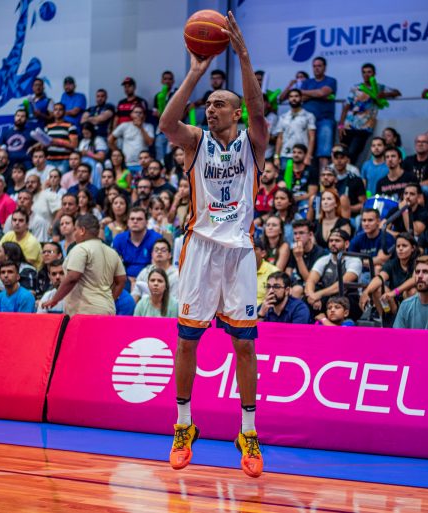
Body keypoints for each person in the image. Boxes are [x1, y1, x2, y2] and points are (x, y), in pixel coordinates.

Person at [158, 12, 268, 477]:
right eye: (208, 104)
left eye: (220, 103)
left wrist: (242, 54)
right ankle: (184, 425)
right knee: (187, 341)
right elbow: (167, 123)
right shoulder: (196, 142)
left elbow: (258, 112)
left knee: (244, 346)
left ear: (236, 112)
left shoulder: (252, 143)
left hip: (238, 251)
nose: (211, 109)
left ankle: (248, 433)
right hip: (200, 247)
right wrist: (196, 73)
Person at [41, 214, 127, 316]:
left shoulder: (81, 248)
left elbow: (72, 278)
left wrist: (55, 299)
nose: (74, 234)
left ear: (82, 230)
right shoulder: (112, 252)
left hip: (85, 311)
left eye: (75, 230)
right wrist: (109, 300)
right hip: (107, 309)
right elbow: (121, 280)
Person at [338, 63, 400, 165]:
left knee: (353, 154)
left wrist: (384, 94)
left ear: (374, 73)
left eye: (369, 72)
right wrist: (340, 125)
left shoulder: (379, 87)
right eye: (364, 72)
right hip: (349, 125)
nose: (366, 74)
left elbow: (397, 92)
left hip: (364, 128)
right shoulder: (356, 88)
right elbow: (346, 106)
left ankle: (350, 173)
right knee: (342, 153)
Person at [304, 229, 362, 320]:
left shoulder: (354, 260)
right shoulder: (323, 260)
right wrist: (312, 296)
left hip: (349, 298)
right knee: (305, 299)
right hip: (328, 297)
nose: (333, 243)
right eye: (331, 241)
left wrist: (318, 294)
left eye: (337, 241)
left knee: (338, 301)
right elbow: (310, 280)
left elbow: (341, 284)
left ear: (347, 244)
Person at [112, 206, 162, 285]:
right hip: (124, 281)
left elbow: (160, 265)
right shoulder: (119, 239)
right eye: (132, 219)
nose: (135, 221)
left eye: (139, 219)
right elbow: (113, 266)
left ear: (146, 222)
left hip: (150, 281)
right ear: (128, 222)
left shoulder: (156, 239)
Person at [273, 88, 315, 170]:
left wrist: (308, 155)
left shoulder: (309, 116)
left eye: (296, 96)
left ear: (301, 98)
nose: (294, 99)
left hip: (302, 155)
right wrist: (276, 156)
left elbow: (312, 137)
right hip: (285, 155)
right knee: (285, 178)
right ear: (288, 99)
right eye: (291, 96)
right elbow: (280, 138)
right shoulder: (283, 117)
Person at [108, 105, 155, 172]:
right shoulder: (124, 125)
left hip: (142, 164)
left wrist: (141, 127)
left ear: (144, 115)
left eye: (140, 112)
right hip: (126, 163)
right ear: (131, 114)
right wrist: (118, 153)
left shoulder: (149, 126)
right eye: (136, 112)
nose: (138, 114)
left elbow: (150, 142)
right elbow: (110, 140)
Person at [132, 238, 179, 303]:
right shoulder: (145, 272)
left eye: (163, 250)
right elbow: (135, 294)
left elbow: (175, 302)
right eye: (156, 250)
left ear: (169, 255)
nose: (159, 252)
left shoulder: (176, 275)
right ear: (152, 254)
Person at [402, 133, 428, 205]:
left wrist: (413, 186)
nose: (420, 144)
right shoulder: (408, 160)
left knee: (426, 189)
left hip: (425, 191)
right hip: (408, 190)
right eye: (418, 142)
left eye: (424, 142)